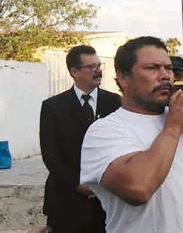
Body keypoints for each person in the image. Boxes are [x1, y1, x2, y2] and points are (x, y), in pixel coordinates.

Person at [80, 36, 183, 232]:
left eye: (168, 68)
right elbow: (138, 188)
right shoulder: (105, 130)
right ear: (123, 78)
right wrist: (173, 127)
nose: (165, 76)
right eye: (152, 68)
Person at [39, 45, 121, 233]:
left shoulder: (115, 103)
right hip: (66, 199)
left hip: (106, 199)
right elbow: (51, 154)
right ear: (74, 71)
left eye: (99, 65)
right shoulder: (53, 107)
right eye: (91, 67)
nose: (98, 70)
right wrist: (78, 184)